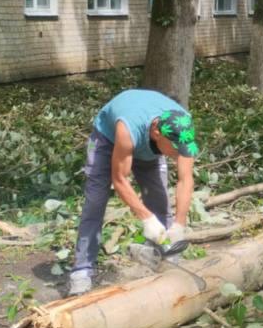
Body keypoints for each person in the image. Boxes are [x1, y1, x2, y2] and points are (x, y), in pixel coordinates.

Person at [68, 89, 200, 296]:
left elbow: (185, 179)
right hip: (108, 140)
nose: (178, 153)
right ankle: (81, 271)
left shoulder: (183, 126)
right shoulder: (127, 129)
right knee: (96, 200)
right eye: (175, 148)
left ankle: (164, 260)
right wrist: (146, 218)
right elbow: (119, 179)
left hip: (146, 145)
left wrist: (180, 224)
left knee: (159, 198)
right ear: (157, 133)